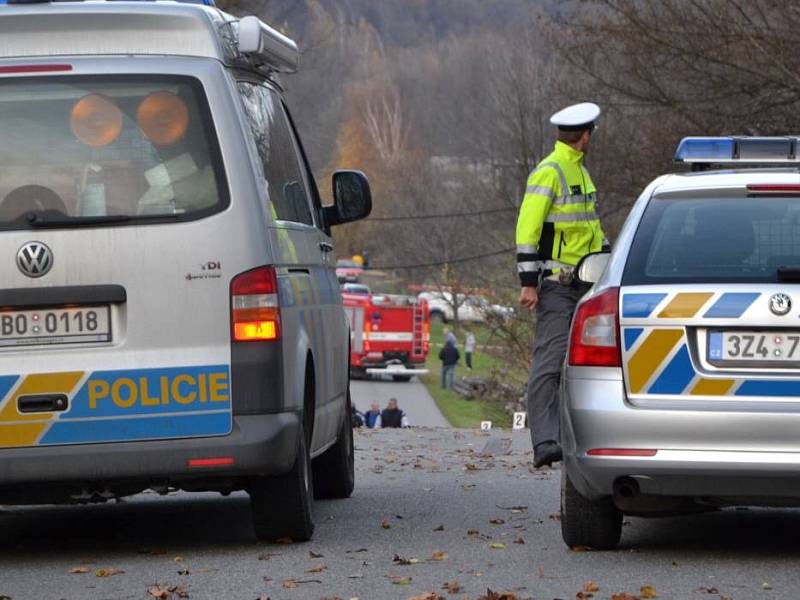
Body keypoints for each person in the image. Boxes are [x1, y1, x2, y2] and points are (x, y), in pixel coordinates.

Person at [516, 102, 610, 468]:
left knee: (586, 362)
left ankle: (575, 436)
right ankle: (545, 442)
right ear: (585, 136)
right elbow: (528, 230)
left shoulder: (580, 173)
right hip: (557, 285)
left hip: (586, 284)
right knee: (550, 361)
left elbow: (591, 230)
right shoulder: (550, 172)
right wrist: (529, 283)